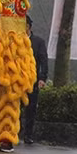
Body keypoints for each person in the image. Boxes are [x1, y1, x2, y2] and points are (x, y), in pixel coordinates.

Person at [24, 16, 48, 144]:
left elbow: (43, 61)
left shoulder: (38, 42)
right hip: (17, 79)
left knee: (31, 108)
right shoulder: (16, 40)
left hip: (32, 79)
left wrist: (42, 78)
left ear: (28, 26)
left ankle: (28, 134)